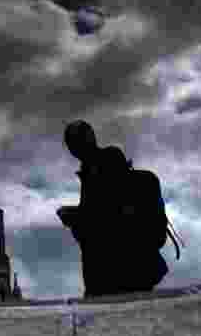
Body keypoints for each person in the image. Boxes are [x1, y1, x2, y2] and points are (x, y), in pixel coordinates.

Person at [58, 120, 171, 297]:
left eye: (75, 142)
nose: (74, 149)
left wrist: (74, 217)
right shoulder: (93, 170)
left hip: (119, 273)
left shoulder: (104, 165)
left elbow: (107, 218)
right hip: (115, 273)